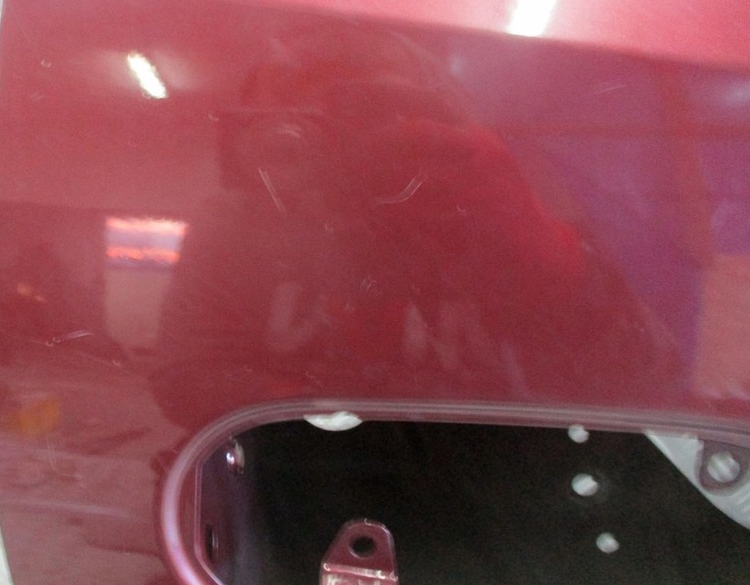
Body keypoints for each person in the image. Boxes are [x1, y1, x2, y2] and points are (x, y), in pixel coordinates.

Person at [152, 23, 679, 432]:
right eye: (311, 125)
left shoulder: (491, 199)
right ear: (264, 135)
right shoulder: (240, 222)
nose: (351, 149)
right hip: (296, 486)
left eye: (377, 116)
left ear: (442, 121)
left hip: (484, 493)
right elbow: (185, 377)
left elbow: (644, 382)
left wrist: (543, 253)